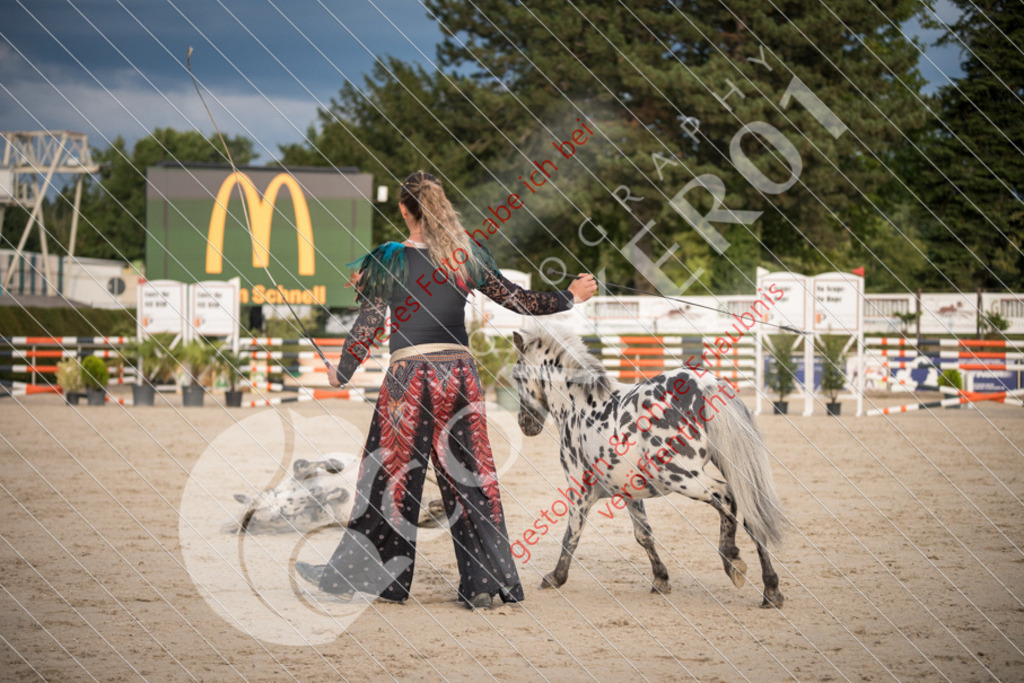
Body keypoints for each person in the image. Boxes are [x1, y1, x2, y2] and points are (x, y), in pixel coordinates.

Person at [295, 171, 597, 609]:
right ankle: (485, 584)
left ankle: (376, 577)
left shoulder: (389, 259)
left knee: (388, 478)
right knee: (471, 479)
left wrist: (342, 371)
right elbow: (519, 300)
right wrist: (570, 296)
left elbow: (368, 324)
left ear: (403, 209)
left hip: (408, 379)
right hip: (460, 376)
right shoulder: (465, 256)